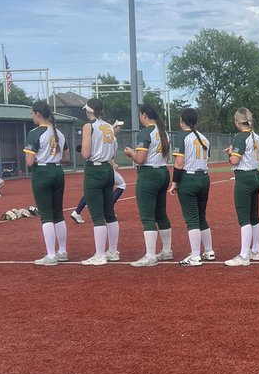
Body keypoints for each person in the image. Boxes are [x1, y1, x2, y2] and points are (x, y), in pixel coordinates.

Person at [123, 103, 173, 267]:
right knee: (161, 214)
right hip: (163, 171)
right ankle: (167, 251)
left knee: (148, 217)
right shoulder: (163, 131)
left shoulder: (146, 132)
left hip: (149, 174)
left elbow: (140, 159)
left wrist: (131, 153)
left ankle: (150, 256)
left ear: (144, 115)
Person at [24, 101, 69, 266]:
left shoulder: (35, 133)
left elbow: (29, 162)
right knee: (58, 214)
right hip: (57, 171)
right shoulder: (60, 133)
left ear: (38, 114)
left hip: (42, 172)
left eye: (32, 114)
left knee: (46, 216)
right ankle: (62, 251)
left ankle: (51, 255)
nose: (32, 117)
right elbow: (66, 158)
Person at [170, 107, 215, 266]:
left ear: (182, 120)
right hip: (204, 178)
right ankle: (209, 251)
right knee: (201, 216)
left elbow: (179, 162)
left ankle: (195, 256)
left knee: (192, 219)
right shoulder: (204, 138)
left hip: (188, 179)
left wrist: (175, 182)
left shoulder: (181, 136)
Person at [80, 98, 121, 265]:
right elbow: (114, 150)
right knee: (109, 214)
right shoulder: (109, 127)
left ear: (88, 110)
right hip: (107, 169)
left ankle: (100, 255)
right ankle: (113, 251)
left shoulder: (89, 126)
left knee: (97, 215)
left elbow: (85, 154)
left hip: (94, 169)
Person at [225, 107, 259, 267]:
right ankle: (255, 251)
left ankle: (244, 255)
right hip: (255, 175)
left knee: (244, 218)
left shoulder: (241, 136)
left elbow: (234, 160)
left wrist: (230, 153)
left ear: (237, 121)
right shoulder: (257, 137)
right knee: (254, 216)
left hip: (244, 177)